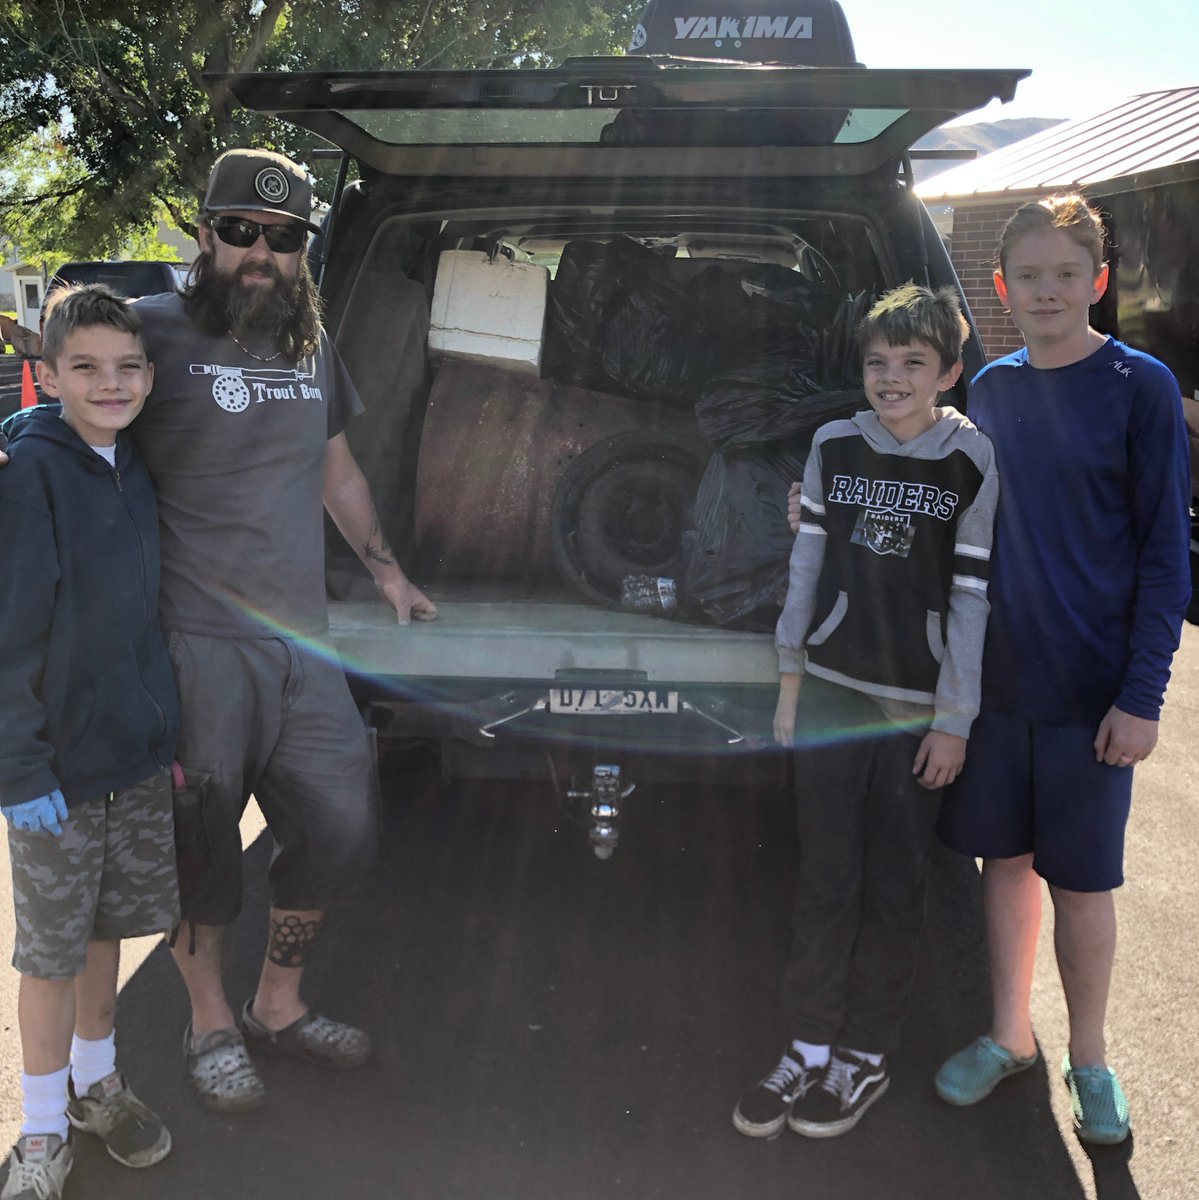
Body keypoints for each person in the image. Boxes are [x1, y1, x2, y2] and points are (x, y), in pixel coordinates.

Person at [129, 148, 437, 1114]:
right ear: (204, 232)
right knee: (203, 847)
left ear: (304, 250)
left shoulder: (310, 347)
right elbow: (79, 440)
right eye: (240, 232)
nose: (260, 253)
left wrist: (387, 571)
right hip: (194, 646)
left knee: (342, 827)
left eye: (284, 238)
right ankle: (210, 1018)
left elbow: (334, 471)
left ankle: (278, 1002)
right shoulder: (148, 334)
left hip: (304, 644)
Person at [931, 195, 1191, 1145]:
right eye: (1027, 276)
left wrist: (1141, 693)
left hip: (1092, 697)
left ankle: (1089, 1059)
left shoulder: (1140, 386)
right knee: (1003, 863)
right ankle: (1008, 1037)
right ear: (1001, 289)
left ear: (1098, 281)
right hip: (995, 687)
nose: (1046, 290)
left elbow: (1167, 553)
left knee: (1081, 884)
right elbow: (936, 501)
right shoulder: (987, 392)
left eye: (1064, 274)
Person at [734, 283, 998, 1140]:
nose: (890, 379)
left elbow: (970, 598)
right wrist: (787, 679)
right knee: (823, 882)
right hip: (828, 699)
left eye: (912, 364)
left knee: (894, 889)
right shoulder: (832, 446)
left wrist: (953, 720)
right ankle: (807, 1045)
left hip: (915, 717)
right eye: (877, 363)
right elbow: (804, 571)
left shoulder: (973, 462)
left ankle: (865, 1056)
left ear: (948, 373)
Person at [0, 285, 180, 1199]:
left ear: (147, 375)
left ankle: (95, 1086)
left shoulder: (133, 462)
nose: (109, 384)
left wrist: (164, 731)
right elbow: (11, 632)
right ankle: (37, 1133)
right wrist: (19, 763)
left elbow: (142, 622)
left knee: (109, 930)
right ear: (48, 374)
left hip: (133, 762)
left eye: (125, 367)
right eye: (85, 368)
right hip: (56, 776)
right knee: (50, 953)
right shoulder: (30, 475)